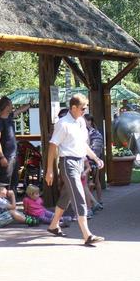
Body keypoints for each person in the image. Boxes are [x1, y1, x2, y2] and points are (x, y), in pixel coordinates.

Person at [45, 93, 105, 246]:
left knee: (67, 195)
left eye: (85, 108)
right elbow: (53, 145)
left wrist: (95, 158)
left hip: (79, 162)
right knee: (79, 195)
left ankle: (53, 225)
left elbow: (83, 145)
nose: (85, 111)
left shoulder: (81, 122)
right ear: (73, 107)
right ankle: (87, 234)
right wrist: (49, 170)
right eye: (82, 108)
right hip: (68, 163)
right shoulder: (63, 123)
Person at [0, 96, 31, 192]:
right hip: (6, 157)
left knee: (14, 181)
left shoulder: (9, 117)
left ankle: (12, 204)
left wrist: (29, 104)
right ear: (6, 106)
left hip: (13, 156)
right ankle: (1, 204)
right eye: (11, 104)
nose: (12, 106)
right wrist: (1, 157)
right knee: (4, 183)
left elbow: (19, 110)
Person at [84, 114, 105, 213]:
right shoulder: (97, 132)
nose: (86, 122)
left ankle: (91, 205)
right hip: (96, 159)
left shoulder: (89, 133)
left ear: (90, 121)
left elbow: (89, 147)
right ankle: (98, 201)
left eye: (87, 121)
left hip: (89, 160)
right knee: (95, 181)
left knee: (88, 183)